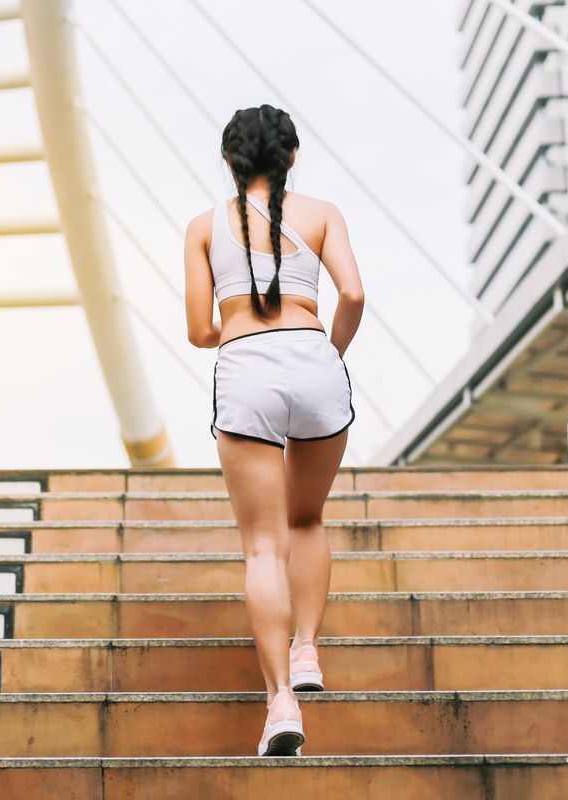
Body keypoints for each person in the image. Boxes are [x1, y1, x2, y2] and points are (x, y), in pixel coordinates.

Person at [183, 104, 365, 756]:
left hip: (246, 368)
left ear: (230, 162)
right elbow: (353, 295)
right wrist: (328, 355)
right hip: (314, 357)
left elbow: (200, 331)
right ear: (291, 156)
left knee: (262, 546)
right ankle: (308, 649)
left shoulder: (204, 226)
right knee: (307, 520)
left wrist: (238, 324)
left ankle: (281, 701)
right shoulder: (322, 213)